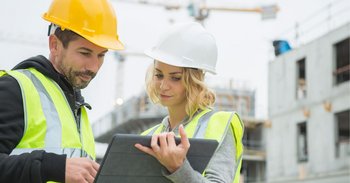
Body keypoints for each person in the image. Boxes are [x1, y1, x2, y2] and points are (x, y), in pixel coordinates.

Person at [0, 0, 123, 182]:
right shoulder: (15, 89)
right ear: (55, 45)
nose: (94, 67)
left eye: (101, 55)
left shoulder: (75, 105)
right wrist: (53, 167)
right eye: (85, 53)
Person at [135, 22, 244, 183]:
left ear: (194, 81)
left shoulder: (218, 126)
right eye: (159, 75)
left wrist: (179, 169)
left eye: (175, 78)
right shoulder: (147, 137)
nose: (163, 86)